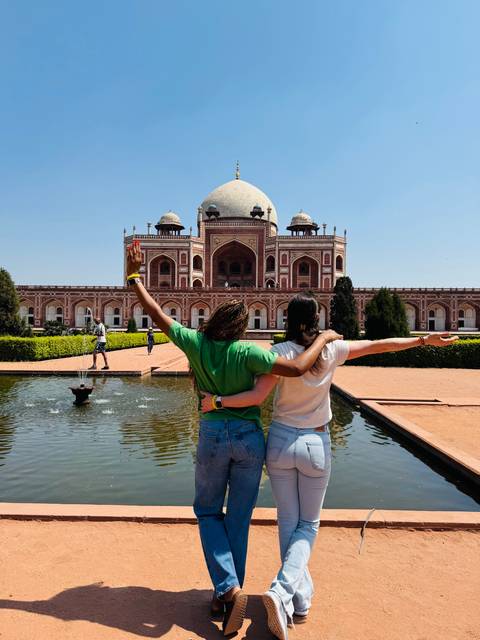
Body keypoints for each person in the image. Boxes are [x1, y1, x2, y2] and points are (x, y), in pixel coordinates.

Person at [201, 291, 458, 640]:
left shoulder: (279, 354)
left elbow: (253, 391)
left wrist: (215, 398)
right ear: (316, 320)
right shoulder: (332, 350)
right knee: (307, 525)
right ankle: (282, 593)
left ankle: (296, 598)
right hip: (316, 443)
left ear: (289, 320)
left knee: (288, 524)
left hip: (279, 443)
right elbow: (379, 345)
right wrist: (424, 340)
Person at [124, 241, 342, 636]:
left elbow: (156, 313)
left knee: (209, 513)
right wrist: (324, 339)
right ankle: (230, 594)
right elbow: (296, 368)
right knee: (239, 519)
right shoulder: (249, 352)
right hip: (249, 438)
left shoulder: (196, 343)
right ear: (241, 326)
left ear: (213, 318)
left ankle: (228, 589)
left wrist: (134, 277)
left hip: (211, 436)